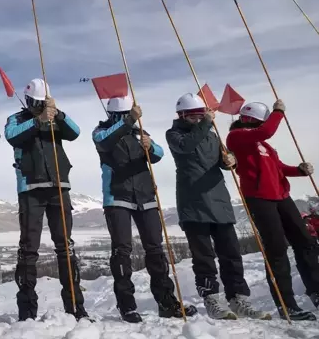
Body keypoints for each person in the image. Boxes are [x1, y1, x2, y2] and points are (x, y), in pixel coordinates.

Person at [92, 95, 197, 323]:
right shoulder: (101, 131)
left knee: (156, 251)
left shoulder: (140, 132)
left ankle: (167, 302)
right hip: (117, 196)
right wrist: (128, 122)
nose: (126, 118)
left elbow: (158, 154)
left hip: (146, 196)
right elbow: (104, 143)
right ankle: (127, 305)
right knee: (122, 251)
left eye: (127, 114)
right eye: (121, 115)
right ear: (112, 115)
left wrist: (150, 147)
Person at [166, 93, 269, 320]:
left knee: (231, 253)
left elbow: (223, 161)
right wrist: (205, 124)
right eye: (194, 116)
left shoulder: (212, 135)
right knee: (203, 256)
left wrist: (230, 160)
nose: (198, 119)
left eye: (201, 115)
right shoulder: (175, 134)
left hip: (219, 200)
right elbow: (186, 147)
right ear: (182, 115)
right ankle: (212, 297)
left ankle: (238, 297)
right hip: (193, 203)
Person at [227, 99, 319, 321]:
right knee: (276, 249)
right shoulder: (237, 137)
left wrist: (299, 170)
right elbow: (266, 131)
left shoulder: (263, 145)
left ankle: (315, 289)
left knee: (305, 241)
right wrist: (279, 112)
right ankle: (286, 304)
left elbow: (279, 168)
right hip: (259, 198)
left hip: (281, 196)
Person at [4, 78, 88, 321]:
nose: (39, 106)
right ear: (28, 100)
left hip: (59, 187)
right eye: (36, 102)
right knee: (28, 249)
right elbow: (12, 136)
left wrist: (58, 114)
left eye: (43, 103)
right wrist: (37, 120)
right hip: (30, 188)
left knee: (66, 246)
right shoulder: (16, 119)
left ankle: (75, 306)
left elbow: (75, 132)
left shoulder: (53, 116)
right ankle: (27, 310)